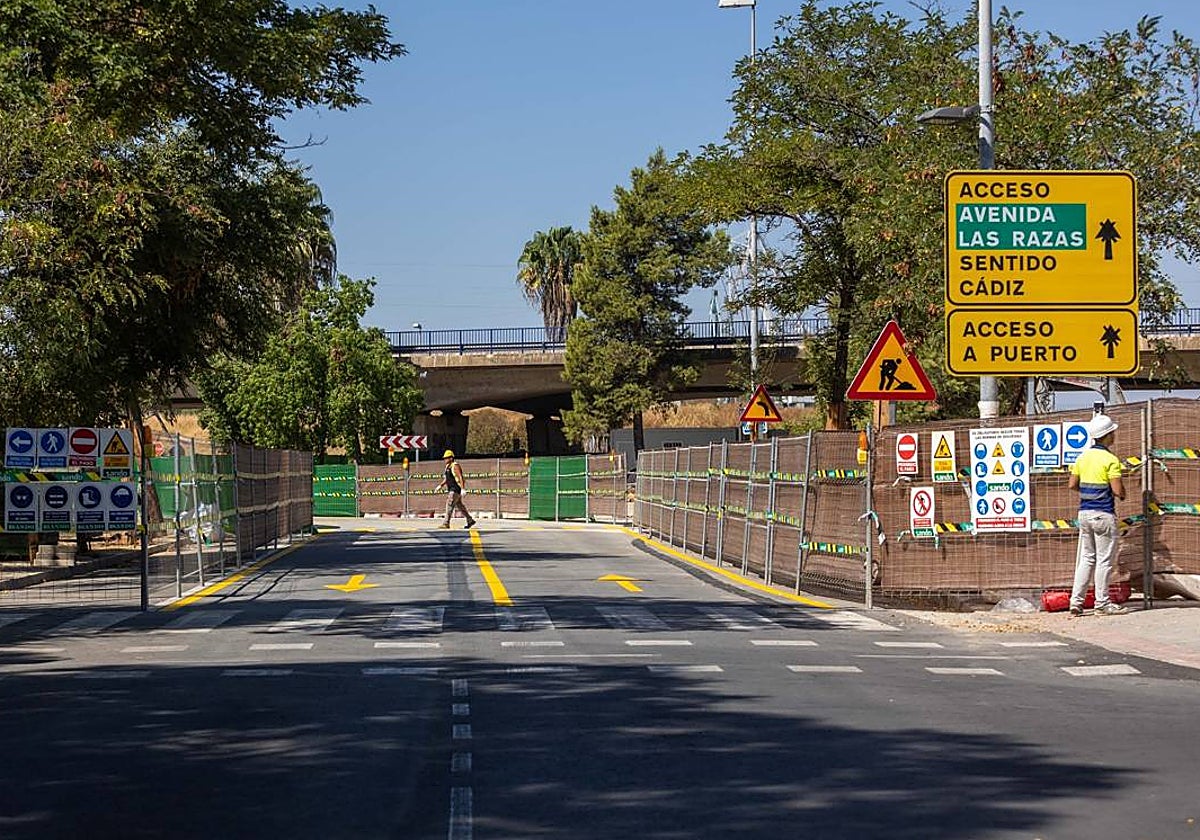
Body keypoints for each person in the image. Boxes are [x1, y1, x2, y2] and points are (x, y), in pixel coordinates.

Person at [1067, 414, 1126, 617]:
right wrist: (1122, 492)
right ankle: (1102, 603)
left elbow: (1072, 484)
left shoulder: (1082, 457)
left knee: (1086, 559)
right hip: (1103, 514)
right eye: (1113, 433)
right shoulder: (1111, 460)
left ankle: (1076, 602)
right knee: (1104, 561)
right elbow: (1118, 491)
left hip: (1084, 513)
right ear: (1108, 435)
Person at [436, 450, 476, 530]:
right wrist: (440, 485)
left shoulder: (455, 466)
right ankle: (470, 520)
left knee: (449, 504)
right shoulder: (447, 467)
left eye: (446, 458)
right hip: (451, 489)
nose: (445, 460)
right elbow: (447, 479)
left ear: (451, 458)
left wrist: (463, 488)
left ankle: (446, 523)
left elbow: (460, 477)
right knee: (460, 506)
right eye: (444, 458)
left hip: (455, 489)